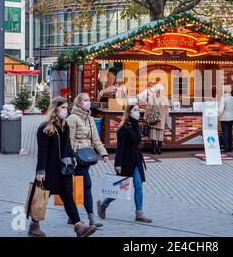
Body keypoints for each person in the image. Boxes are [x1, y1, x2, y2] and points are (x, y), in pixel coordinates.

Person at [29, 97, 96, 237]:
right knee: (42, 197)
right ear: (55, 109)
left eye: (66, 107)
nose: (66, 110)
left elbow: (68, 146)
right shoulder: (45, 128)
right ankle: (34, 226)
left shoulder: (65, 126)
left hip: (63, 169)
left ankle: (79, 226)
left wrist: (72, 159)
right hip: (49, 170)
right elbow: (42, 152)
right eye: (63, 108)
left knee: (68, 197)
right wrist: (40, 170)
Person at [97, 104, 152, 223]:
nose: (138, 112)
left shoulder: (137, 126)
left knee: (139, 186)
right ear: (129, 112)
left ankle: (139, 213)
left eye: (138, 110)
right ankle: (104, 203)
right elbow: (120, 148)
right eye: (135, 110)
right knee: (122, 188)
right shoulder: (123, 128)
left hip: (136, 159)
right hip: (126, 160)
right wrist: (118, 164)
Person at [67, 93, 109, 227]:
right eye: (85, 100)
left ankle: (72, 216)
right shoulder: (72, 119)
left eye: (89, 100)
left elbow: (95, 139)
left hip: (87, 157)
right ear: (78, 103)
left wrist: (103, 153)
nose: (88, 102)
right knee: (86, 185)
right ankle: (91, 218)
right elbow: (69, 140)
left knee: (76, 187)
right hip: (77, 158)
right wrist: (71, 157)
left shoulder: (90, 119)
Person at [148, 89, 169, 155]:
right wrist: (166, 121)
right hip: (161, 119)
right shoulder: (165, 99)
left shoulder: (151, 98)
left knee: (153, 134)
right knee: (160, 135)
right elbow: (166, 111)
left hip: (153, 119)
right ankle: (159, 150)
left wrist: (146, 117)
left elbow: (148, 108)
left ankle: (153, 150)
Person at [218, 85, 233, 153]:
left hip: (225, 118)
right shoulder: (232, 98)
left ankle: (225, 148)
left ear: (224, 90)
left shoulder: (223, 98)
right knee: (230, 132)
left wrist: (217, 114)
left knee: (225, 132)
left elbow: (220, 110)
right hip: (232, 117)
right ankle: (230, 147)